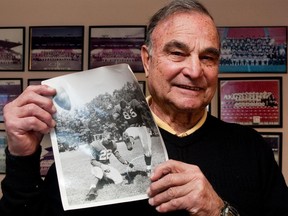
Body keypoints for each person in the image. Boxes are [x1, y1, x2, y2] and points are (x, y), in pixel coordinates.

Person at [0, 0, 288, 215]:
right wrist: (22, 157)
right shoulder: (89, 147)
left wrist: (219, 210)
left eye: (208, 57)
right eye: (177, 53)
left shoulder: (251, 148)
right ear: (147, 60)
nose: (194, 69)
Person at [85, 130, 133, 201]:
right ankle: (92, 189)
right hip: (97, 165)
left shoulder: (112, 143)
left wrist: (125, 162)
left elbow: (117, 155)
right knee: (98, 172)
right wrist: (101, 166)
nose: (109, 141)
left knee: (119, 180)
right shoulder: (94, 145)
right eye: (108, 139)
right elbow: (92, 161)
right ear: (103, 137)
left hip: (107, 166)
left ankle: (104, 179)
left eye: (111, 139)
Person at [112, 99, 153, 175]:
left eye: (126, 108)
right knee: (128, 132)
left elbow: (142, 111)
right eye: (123, 109)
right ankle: (130, 142)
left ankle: (148, 168)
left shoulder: (133, 102)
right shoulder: (120, 107)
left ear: (128, 105)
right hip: (135, 127)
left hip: (142, 127)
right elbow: (114, 116)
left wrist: (148, 125)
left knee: (147, 150)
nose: (125, 110)